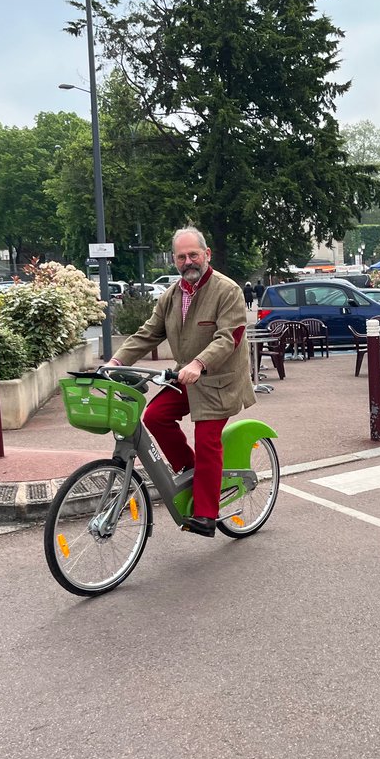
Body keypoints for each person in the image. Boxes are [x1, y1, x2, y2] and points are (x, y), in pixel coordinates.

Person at [107, 227, 255, 538]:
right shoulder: (171, 296)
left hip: (219, 379)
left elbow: (229, 337)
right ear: (174, 260)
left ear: (207, 255)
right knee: (155, 416)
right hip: (186, 376)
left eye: (193, 255)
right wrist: (116, 362)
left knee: (207, 439)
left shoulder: (227, 291)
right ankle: (194, 473)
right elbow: (148, 333)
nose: (188, 261)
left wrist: (200, 363)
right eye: (181, 256)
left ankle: (205, 512)